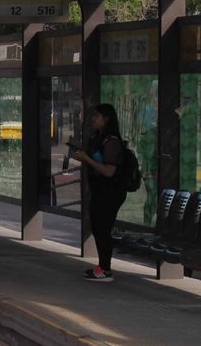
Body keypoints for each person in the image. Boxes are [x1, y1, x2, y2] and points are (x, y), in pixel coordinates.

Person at [73, 103, 127, 282]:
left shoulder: (112, 141)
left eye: (97, 116)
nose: (93, 119)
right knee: (97, 226)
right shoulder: (98, 138)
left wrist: (87, 159)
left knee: (103, 227)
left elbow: (109, 171)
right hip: (99, 190)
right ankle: (102, 266)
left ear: (106, 119)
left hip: (110, 192)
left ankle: (105, 269)